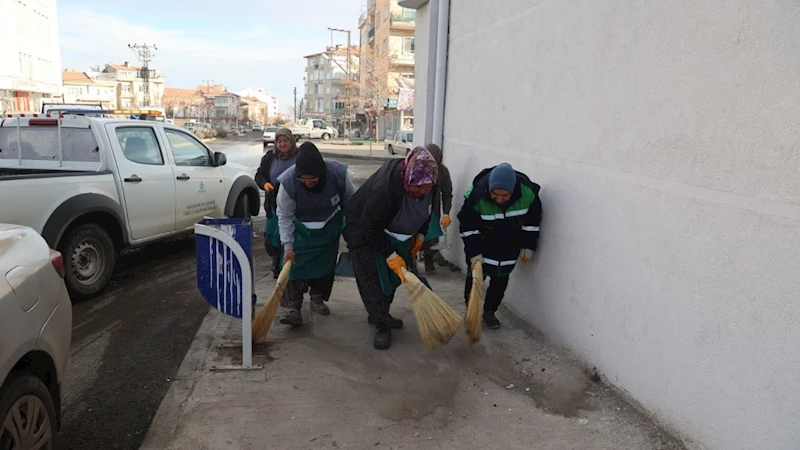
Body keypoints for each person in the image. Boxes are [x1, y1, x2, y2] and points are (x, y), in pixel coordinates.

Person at [344, 147, 439, 350]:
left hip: (393, 233)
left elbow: (428, 211)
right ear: (408, 179)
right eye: (418, 188)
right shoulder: (385, 189)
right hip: (362, 231)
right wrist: (390, 254)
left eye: (427, 188)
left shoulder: (429, 182)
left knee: (391, 279)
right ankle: (381, 324)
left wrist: (420, 234)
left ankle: (380, 313)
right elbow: (370, 227)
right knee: (374, 280)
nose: (422, 193)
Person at [275, 142, 356, 326]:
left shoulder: (337, 174)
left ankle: (317, 298)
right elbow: (285, 215)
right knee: (293, 268)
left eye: (313, 178)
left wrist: (352, 231)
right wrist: (288, 245)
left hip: (328, 228)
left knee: (324, 268)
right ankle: (293, 308)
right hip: (300, 231)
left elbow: (351, 201)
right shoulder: (288, 182)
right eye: (303, 179)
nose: (308, 182)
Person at [458, 162, 542, 329]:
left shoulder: (528, 194)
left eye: (505, 196)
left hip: (509, 244)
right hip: (482, 243)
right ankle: (471, 311)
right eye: (495, 194)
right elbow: (467, 227)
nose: (499, 199)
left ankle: (490, 312)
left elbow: (532, 223)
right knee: (475, 278)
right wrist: (474, 253)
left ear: (513, 190)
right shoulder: (476, 196)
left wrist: (528, 246)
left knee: (500, 279)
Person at [255, 128, 298, 278]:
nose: (282, 144)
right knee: (273, 236)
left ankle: (289, 263)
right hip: (273, 202)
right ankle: (276, 262)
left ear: (291, 141)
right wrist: (265, 183)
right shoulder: (269, 157)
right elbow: (259, 175)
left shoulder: (299, 157)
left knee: (291, 233)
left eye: (286, 141)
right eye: (279, 141)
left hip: (294, 202)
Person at [419, 143, 453, 273]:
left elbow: (447, 194)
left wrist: (446, 213)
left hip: (433, 209)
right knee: (413, 235)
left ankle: (429, 259)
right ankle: (411, 261)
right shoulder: (417, 168)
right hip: (416, 207)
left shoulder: (443, 171)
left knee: (431, 237)